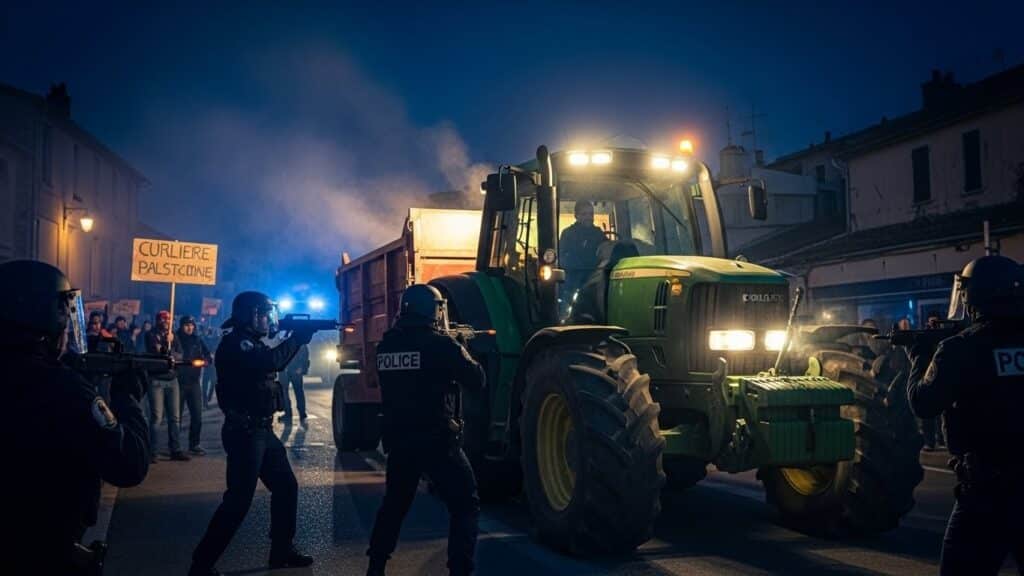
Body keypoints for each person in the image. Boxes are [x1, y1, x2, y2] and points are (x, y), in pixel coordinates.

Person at [2, 260, 149, 574]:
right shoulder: (61, 387)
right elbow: (129, 464)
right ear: (44, 316)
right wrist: (128, 398)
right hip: (39, 548)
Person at [906, 255, 1024, 574]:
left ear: (973, 295)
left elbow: (924, 403)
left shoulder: (961, 348)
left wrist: (918, 358)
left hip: (987, 494)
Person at [189, 291, 316, 576]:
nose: (267, 320)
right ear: (248, 316)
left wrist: (297, 336)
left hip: (261, 429)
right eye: (262, 314)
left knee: (286, 487)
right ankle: (201, 564)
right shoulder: (238, 344)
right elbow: (271, 362)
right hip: (245, 432)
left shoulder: (251, 343)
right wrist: (297, 338)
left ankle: (281, 551)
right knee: (238, 502)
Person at [366, 284, 485, 576]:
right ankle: (460, 570)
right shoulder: (442, 345)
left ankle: (375, 566)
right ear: (432, 310)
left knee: (394, 506)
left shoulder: (387, 345)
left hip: (400, 440)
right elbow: (476, 380)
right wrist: (462, 347)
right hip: (437, 441)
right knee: (465, 505)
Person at [146, 310, 189, 462]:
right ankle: (153, 452)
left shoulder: (174, 336)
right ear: (158, 320)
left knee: (175, 418)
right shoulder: (151, 334)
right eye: (164, 320)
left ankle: (175, 449)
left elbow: (180, 355)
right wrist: (167, 344)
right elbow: (159, 353)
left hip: (172, 379)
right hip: (157, 380)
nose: (167, 322)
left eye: (169, 320)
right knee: (157, 417)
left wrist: (171, 345)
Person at [558, 200, 608, 306]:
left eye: (591, 214)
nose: (588, 217)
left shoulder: (598, 234)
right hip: (573, 282)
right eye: (584, 214)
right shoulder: (568, 234)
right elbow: (561, 259)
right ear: (576, 216)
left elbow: (607, 252)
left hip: (596, 280)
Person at [177, 315, 212, 455]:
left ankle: (194, 443)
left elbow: (208, 355)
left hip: (194, 382)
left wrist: (206, 361)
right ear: (181, 326)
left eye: (191, 325)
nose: (189, 327)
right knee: (176, 417)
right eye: (186, 325)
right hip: (179, 381)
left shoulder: (197, 339)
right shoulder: (175, 338)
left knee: (197, 415)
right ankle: (175, 445)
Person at [279, 343, 309, 425]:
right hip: (286, 369)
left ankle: (300, 413)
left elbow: (304, 353)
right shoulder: (286, 338)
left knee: (296, 391)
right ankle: (292, 413)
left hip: (291, 368)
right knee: (286, 392)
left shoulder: (284, 338)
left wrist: (302, 367)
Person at [201, 327, 221, 408]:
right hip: (207, 364)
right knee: (205, 383)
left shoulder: (216, 340)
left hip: (213, 365)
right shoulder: (205, 340)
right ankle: (205, 401)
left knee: (213, 382)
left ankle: (208, 398)